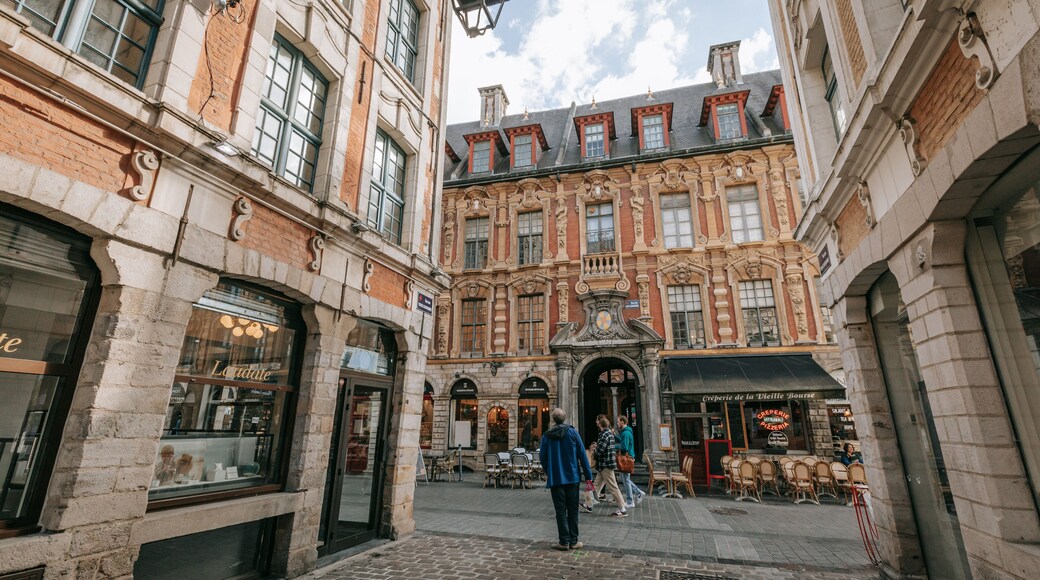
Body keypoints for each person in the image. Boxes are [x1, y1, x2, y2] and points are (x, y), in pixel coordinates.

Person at [540, 408, 593, 551]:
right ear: (565, 418)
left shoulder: (547, 436)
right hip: (573, 477)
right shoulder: (573, 432)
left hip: (556, 478)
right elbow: (582, 455)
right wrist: (588, 477)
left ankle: (564, 541)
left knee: (560, 511)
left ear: (553, 419)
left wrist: (549, 471)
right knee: (573, 510)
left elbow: (543, 457)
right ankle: (573, 541)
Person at [592, 416, 628, 517]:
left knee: (613, 487)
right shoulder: (609, 434)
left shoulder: (604, 435)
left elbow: (600, 451)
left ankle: (622, 508)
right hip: (604, 465)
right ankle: (588, 503)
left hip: (606, 464)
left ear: (600, 424)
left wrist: (594, 451)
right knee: (596, 485)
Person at [615, 416, 646, 507]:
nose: (617, 424)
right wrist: (615, 436)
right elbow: (623, 442)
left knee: (626, 480)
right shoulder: (626, 432)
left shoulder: (626, 433)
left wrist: (614, 446)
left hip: (627, 458)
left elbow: (624, 447)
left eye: (618, 422)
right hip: (629, 457)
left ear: (622, 422)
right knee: (625, 479)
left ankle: (630, 501)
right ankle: (638, 493)